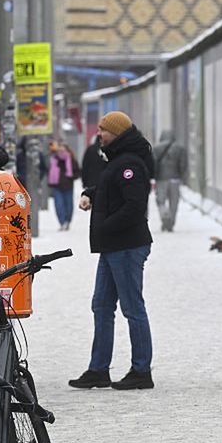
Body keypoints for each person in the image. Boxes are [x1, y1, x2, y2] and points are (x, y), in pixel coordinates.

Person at [68, 111, 156, 390]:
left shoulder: (130, 164)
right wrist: (91, 194)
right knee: (102, 306)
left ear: (116, 133)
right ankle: (98, 369)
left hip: (127, 246)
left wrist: (105, 226)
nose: (100, 134)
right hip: (113, 246)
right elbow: (110, 189)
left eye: (104, 130)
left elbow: (133, 205)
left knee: (133, 308)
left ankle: (141, 371)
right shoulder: (117, 160)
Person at [152, 130, 186, 232]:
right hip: (175, 179)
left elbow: (153, 164)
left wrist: (154, 176)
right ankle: (171, 221)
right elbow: (183, 164)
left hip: (161, 179)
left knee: (161, 200)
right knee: (174, 202)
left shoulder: (156, 149)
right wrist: (180, 175)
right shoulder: (180, 149)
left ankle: (165, 216)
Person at [48, 142, 80, 231]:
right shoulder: (54, 159)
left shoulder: (72, 160)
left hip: (68, 186)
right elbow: (49, 170)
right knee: (58, 205)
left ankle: (68, 221)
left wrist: (70, 177)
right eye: (60, 149)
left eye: (63, 149)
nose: (61, 151)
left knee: (69, 205)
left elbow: (77, 172)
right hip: (56, 186)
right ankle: (62, 222)